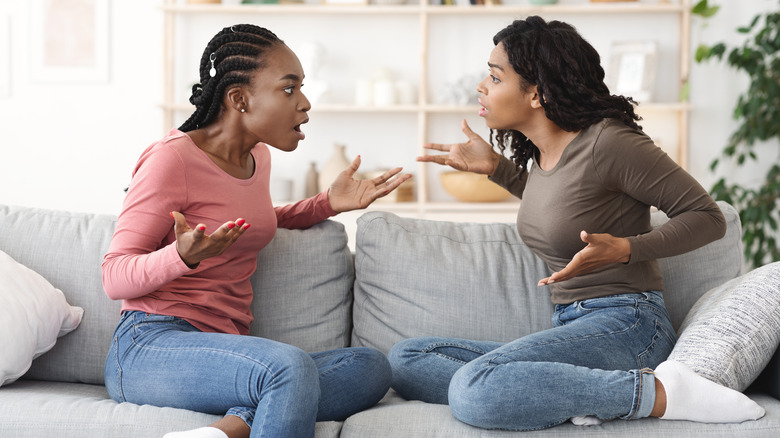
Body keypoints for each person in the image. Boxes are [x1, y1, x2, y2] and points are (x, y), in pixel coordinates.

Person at [388, 16, 765, 431]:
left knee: (473, 389)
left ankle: (660, 394)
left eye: (495, 77)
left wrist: (628, 248)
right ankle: (571, 392)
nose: (481, 86)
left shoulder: (610, 142)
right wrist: (497, 168)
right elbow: (563, 204)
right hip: (573, 322)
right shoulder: (543, 152)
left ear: (537, 93)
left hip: (629, 325)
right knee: (408, 360)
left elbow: (709, 218)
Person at [102, 24, 411, 438]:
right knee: (288, 368)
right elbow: (114, 274)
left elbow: (255, 220)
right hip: (150, 347)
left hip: (226, 351)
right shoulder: (170, 161)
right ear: (239, 99)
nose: (304, 104)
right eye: (289, 89)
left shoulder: (257, 156)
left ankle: (225, 431)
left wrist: (327, 204)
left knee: (370, 367)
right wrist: (184, 255)